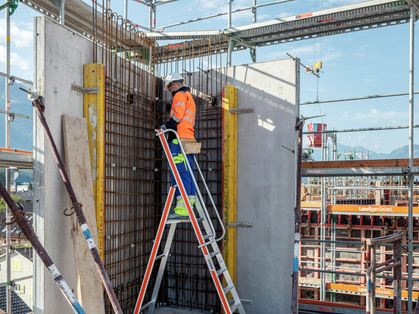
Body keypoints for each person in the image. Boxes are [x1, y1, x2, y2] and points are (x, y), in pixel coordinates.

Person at [161, 73, 197, 220]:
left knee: (179, 173)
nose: (170, 91)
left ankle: (182, 210)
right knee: (188, 173)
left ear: (173, 84)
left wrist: (166, 126)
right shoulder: (189, 96)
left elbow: (178, 116)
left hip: (179, 139)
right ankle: (190, 205)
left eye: (170, 88)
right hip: (189, 139)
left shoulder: (179, 95)